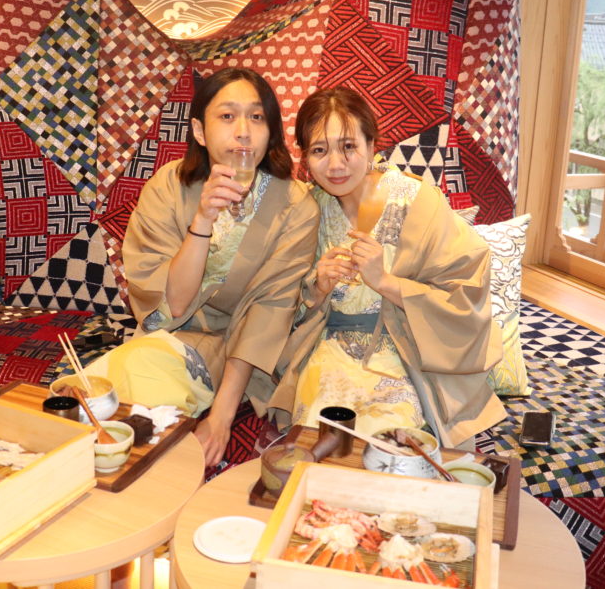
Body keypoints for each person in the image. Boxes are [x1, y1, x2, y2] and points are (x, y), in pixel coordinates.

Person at [87, 67, 319, 467]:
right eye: (227, 116)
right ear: (199, 130)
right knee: (97, 401)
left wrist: (222, 417)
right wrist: (203, 220)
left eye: (257, 117)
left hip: (247, 352)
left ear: (271, 132)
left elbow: (269, 312)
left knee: (142, 391)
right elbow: (173, 305)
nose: (243, 131)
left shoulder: (296, 206)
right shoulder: (167, 186)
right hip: (170, 336)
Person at [268, 87, 505, 448]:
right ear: (305, 157)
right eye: (319, 150)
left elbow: (466, 290)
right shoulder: (306, 208)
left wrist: (386, 282)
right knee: (322, 440)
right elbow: (274, 302)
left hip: (405, 353)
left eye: (348, 146)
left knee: (389, 442)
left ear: (372, 145)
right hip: (328, 352)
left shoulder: (417, 200)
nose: (335, 165)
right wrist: (316, 288)